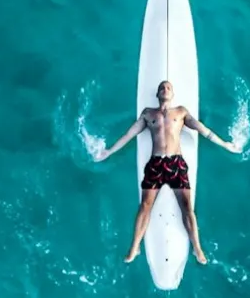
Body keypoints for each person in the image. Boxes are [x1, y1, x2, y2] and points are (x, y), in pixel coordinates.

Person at [96, 80, 241, 265]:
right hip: (156, 164)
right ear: (158, 95)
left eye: (168, 88)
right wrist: (109, 151)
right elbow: (129, 135)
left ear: (172, 95)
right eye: (162, 88)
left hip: (176, 164)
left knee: (187, 206)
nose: (165, 89)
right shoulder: (148, 114)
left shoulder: (180, 112)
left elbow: (203, 130)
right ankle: (134, 247)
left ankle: (197, 248)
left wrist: (225, 144)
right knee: (145, 205)